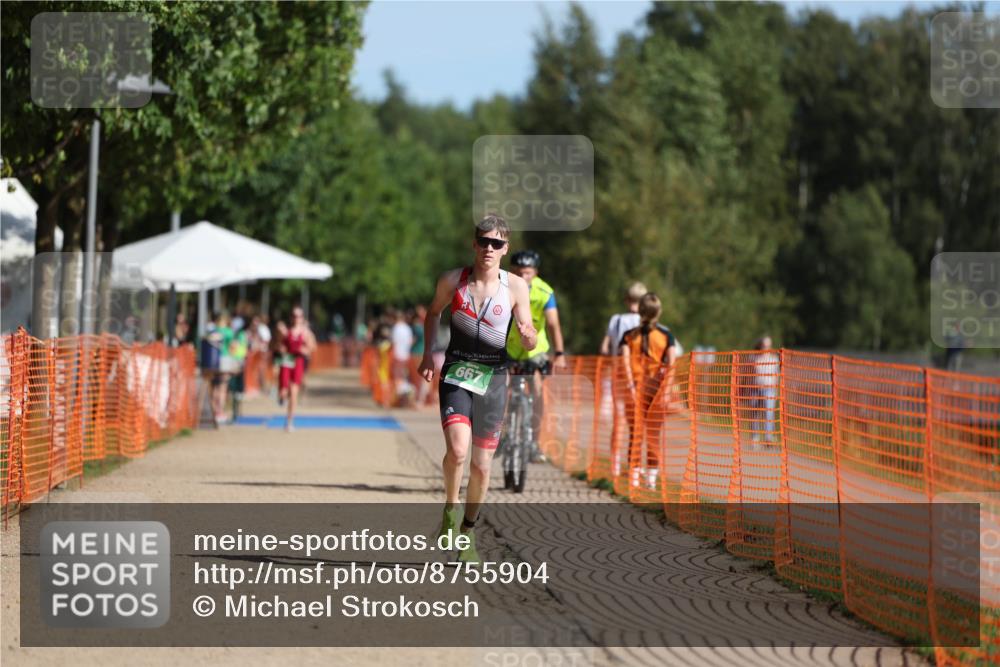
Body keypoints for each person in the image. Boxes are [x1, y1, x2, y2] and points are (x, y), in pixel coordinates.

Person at [418, 214, 537, 564]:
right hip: (457, 371)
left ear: (505, 249)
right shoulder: (452, 280)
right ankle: (450, 508)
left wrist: (528, 337)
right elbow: (432, 313)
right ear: (474, 244)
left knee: (482, 466)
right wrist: (427, 354)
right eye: (484, 241)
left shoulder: (516, 286)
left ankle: (468, 532)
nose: (489, 248)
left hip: (494, 378)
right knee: (457, 451)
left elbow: (529, 333)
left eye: (496, 243)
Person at [504, 250, 566, 463]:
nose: (523, 276)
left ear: (535, 272)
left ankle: (534, 442)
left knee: (538, 392)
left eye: (528, 272)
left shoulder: (544, 292)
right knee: (500, 387)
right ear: (512, 271)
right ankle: (502, 432)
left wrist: (559, 353)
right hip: (509, 347)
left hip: (535, 349)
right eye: (519, 272)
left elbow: (553, 324)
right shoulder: (503, 287)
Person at [619, 293, 678, 489]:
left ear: (640, 311)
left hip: (634, 390)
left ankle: (634, 478)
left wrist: (630, 386)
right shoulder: (666, 336)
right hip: (656, 392)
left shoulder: (628, 336)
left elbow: (625, 363)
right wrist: (666, 391)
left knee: (635, 434)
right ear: (658, 312)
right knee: (653, 435)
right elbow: (672, 365)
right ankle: (651, 480)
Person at [599, 282, 647, 476]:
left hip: (618, 374)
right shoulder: (645, 322)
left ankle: (615, 464)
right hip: (639, 375)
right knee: (636, 423)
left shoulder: (617, 320)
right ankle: (634, 465)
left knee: (618, 421)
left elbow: (604, 348)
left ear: (627, 300)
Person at [279, 305, 317, 432]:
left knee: (294, 392)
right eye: (294, 316)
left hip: (298, 362)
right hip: (286, 362)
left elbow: (313, 347)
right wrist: (281, 348)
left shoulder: (306, 332)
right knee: (284, 392)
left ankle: (289, 421)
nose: (297, 318)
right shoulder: (286, 331)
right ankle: (283, 396)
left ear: (302, 318)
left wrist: (305, 350)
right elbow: (279, 346)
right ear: (291, 317)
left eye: (299, 316)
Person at [750, 336, 780, 447]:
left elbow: (776, 375)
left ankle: (769, 438)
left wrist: (775, 390)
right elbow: (749, 374)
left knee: (769, 413)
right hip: (755, 388)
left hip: (769, 389)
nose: (766, 348)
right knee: (755, 413)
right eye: (764, 346)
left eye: (768, 346)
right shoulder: (754, 358)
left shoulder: (774, 359)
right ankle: (755, 438)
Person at [391, 309, 415, 405]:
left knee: (397, 377)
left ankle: (399, 398)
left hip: (397, 355)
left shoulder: (396, 327)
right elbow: (411, 341)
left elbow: (394, 342)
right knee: (404, 376)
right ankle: (405, 396)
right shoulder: (407, 328)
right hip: (406, 355)